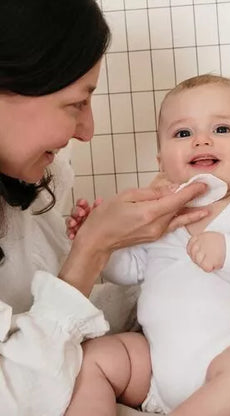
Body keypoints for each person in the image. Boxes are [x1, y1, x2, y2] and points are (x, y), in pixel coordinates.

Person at [0, 2, 208, 416]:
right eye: (77, 103)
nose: (88, 131)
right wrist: (92, 249)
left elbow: (74, 322)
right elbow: (15, 396)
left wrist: (148, 253)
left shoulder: (33, 185)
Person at [67, 74, 230, 416]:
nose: (202, 141)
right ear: (162, 161)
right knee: (92, 357)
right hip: (153, 367)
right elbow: (127, 270)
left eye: (222, 129)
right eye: (183, 133)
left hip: (229, 357)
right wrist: (100, 242)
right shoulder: (157, 211)